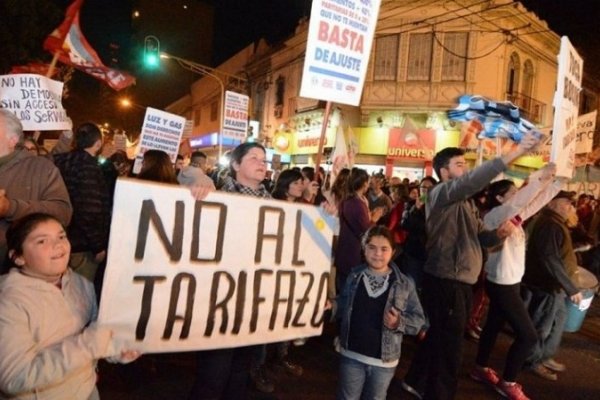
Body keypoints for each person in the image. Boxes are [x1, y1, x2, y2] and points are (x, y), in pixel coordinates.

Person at [402, 132, 539, 400]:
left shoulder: (467, 204)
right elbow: (470, 181)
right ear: (444, 172)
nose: (465, 171)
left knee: (439, 338)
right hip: (447, 280)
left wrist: (497, 235)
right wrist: (512, 154)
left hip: (460, 280)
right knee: (451, 348)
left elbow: (481, 237)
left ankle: (415, 381)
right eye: (459, 165)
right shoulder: (440, 193)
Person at [0, 213, 139, 399]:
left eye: (61, 236)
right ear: (18, 257)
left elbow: (96, 334)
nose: (58, 245)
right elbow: (13, 377)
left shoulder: (80, 284)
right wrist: (88, 344)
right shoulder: (8, 301)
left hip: (87, 392)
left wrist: (116, 350)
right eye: (42, 241)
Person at [470, 164, 562, 399]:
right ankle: (508, 382)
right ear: (499, 198)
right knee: (528, 336)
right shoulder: (494, 216)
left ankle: (479, 368)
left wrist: (560, 180)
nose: (517, 196)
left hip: (509, 282)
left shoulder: (514, 217)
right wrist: (539, 178)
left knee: (493, 325)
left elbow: (533, 204)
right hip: (502, 284)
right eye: (511, 193)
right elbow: (521, 201)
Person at [189, 142, 271, 400]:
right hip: (219, 300)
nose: (262, 164)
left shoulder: (278, 207)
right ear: (236, 165)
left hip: (253, 301)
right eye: (254, 158)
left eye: (264, 159)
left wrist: (324, 216)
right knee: (213, 373)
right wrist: (196, 198)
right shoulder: (216, 197)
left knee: (239, 373)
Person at [334, 225, 425, 400]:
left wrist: (399, 323)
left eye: (384, 249)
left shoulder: (404, 283)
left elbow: (419, 320)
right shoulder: (354, 276)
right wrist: (331, 305)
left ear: (393, 251)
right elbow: (344, 303)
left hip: (384, 361)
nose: (378, 254)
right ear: (364, 249)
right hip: (352, 354)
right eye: (372, 248)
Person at [522, 190, 583, 381]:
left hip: (555, 286)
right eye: (566, 202)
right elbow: (549, 258)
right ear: (551, 203)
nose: (571, 207)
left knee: (557, 322)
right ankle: (533, 360)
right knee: (542, 325)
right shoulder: (549, 224)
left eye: (571, 203)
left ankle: (545, 355)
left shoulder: (555, 223)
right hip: (547, 285)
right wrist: (570, 287)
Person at [0, 109, 72, 270]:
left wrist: (10, 207)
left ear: (12, 140)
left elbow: (63, 212)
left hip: (14, 274)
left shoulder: (41, 168)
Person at [53, 123, 112, 283]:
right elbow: (88, 209)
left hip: (58, 237)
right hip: (81, 245)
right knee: (80, 294)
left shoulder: (59, 160)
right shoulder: (88, 166)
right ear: (98, 143)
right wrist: (98, 245)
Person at [335, 168, 384, 291]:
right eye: (368, 181)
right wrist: (374, 219)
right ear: (363, 183)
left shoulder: (351, 199)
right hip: (352, 254)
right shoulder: (355, 203)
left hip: (346, 252)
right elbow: (366, 231)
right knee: (348, 293)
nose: (369, 184)